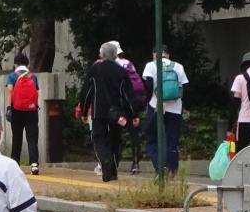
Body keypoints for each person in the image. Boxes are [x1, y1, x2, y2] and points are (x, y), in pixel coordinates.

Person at [77, 41, 133, 182]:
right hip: (117, 112)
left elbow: (87, 92)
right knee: (115, 140)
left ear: (101, 55)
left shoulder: (95, 69)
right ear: (115, 55)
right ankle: (113, 172)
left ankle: (105, 161)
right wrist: (133, 114)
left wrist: (84, 112)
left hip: (98, 112)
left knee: (99, 139)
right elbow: (128, 95)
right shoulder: (121, 71)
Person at [142, 46, 188, 176]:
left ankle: (159, 167)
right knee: (172, 139)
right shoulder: (178, 66)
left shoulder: (151, 65)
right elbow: (183, 87)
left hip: (156, 106)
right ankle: (172, 169)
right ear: (168, 54)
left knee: (151, 137)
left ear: (155, 54)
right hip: (175, 108)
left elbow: (149, 85)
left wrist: (148, 99)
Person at [4, 51, 41, 175]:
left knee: (17, 137)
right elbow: (37, 92)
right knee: (32, 137)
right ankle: (34, 164)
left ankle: (15, 164)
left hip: (17, 110)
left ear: (15, 65)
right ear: (27, 65)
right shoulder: (33, 77)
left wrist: (9, 108)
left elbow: (10, 91)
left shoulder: (12, 76)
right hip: (31, 110)